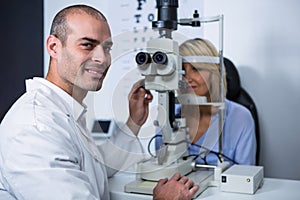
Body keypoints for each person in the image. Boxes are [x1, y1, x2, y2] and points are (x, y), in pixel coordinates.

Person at [0, 5, 199, 200]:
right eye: (87, 45)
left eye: (107, 48)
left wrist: (134, 122)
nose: (102, 58)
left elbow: (96, 166)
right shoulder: (35, 128)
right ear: (54, 47)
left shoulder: (63, 110)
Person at [156, 38, 256, 166]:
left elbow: (245, 177)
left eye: (196, 69)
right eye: (182, 70)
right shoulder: (168, 117)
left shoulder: (240, 118)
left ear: (214, 73)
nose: (187, 78)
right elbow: (161, 168)